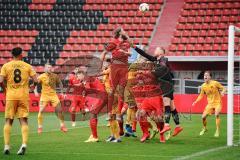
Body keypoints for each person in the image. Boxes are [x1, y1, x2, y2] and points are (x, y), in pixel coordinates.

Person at [132, 46, 183, 139]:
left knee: (167, 105)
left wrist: (147, 72)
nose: (154, 50)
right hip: (167, 85)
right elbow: (145, 54)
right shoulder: (156, 60)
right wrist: (134, 47)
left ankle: (167, 125)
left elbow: (161, 68)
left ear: (161, 52)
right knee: (172, 107)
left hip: (166, 85)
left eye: (157, 49)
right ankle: (178, 126)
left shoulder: (163, 59)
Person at [0, 47, 38, 155]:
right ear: (21, 55)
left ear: (12, 55)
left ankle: (6, 146)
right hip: (23, 96)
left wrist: (4, 89)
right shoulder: (27, 66)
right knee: (24, 121)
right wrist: (32, 87)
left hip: (11, 96)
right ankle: (24, 144)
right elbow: (36, 80)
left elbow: (0, 81)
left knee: (8, 121)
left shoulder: (6, 66)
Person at [100, 27, 131, 136]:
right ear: (119, 33)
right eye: (123, 30)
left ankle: (120, 120)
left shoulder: (126, 43)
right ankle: (111, 116)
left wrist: (125, 52)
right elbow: (104, 53)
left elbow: (130, 50)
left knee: (121, 93)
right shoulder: (113, 42)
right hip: (116, 69)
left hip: (123, 68)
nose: (125, 31)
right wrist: (101, 65)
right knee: (114, 93)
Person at [35, 63, 68, 134]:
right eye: (48, 67)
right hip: (44, 96)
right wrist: (35, 91)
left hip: (53, 95)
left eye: (50, 67)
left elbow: (60, 83)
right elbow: (36, 83)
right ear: (45, 69)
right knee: (41, 111)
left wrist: (62, 92)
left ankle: (62, 126)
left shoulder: (55, 76)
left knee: (60, 110)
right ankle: (40, 127)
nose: (49, 69)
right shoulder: (41, 76)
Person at [192, 71, 226, 137]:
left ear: (210, 77)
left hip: (217, 102)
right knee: (203, 117)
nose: (205, 76)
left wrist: (223, 92)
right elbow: (201, 95)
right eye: (205, 75)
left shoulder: (215, 83)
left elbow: (223, 88)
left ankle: (217, 130)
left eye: (207, 75)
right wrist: (195, 101)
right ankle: (204, 128)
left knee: (216, 114)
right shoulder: (203, 86)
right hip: (210, 104)